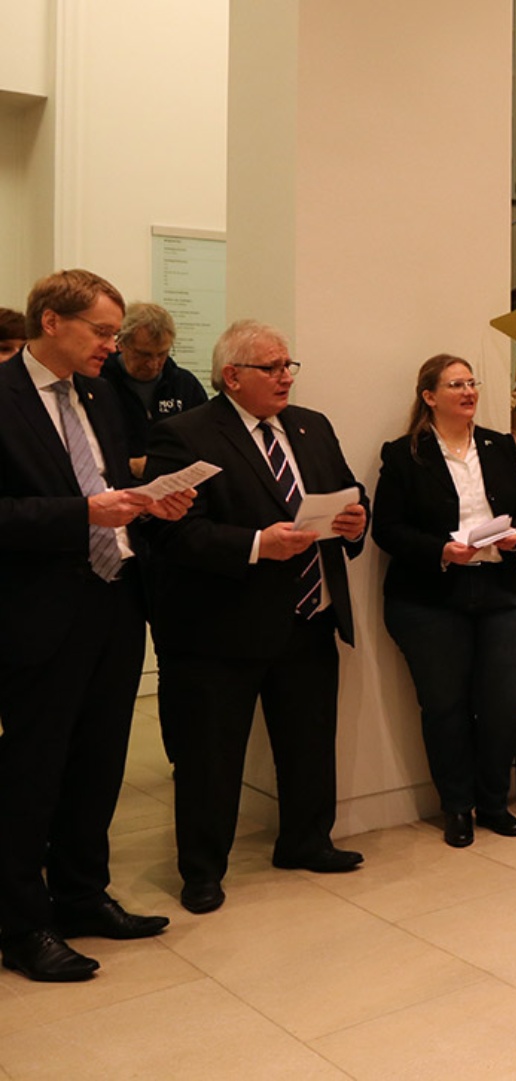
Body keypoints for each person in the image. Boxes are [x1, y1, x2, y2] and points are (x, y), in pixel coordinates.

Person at [0, 269, 193, 982]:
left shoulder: (101, 396)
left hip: (115, 598)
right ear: (51, 321)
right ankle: (21, 921)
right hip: (38, 612)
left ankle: (82, 892)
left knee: (100, 760)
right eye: (101, 332)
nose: (113, 345)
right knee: (33, 769)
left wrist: (149, 504)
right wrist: (83, 514)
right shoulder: (5, 398)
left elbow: (112, 486)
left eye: (116, 333)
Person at [145, 319, 369, 916]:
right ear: (232, 376)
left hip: (309, 615)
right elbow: (166, 533)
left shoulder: (311, 426)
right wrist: (253, 544)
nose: (284, 377)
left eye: (288, 365)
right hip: (222, 627)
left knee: (310, 741)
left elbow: (348, 492)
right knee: (211, 757)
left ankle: (306, 840)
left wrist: (356, 521)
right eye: (271, 368)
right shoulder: (185, 434)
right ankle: (201, 870)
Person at [374, 354, 516, 849]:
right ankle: (457, 807)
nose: (468, 392)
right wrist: (440, 550)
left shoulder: (497, 445)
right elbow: (387, 528)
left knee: (505, 705)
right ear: (429, 397)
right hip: (432, 597)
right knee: (445, 706)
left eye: (472, 382)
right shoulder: (405, 453)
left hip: (503, 589)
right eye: (455, 385)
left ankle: (494, 801)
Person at [99, 302, 207, 478]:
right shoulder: (98, 383)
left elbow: (204, 443)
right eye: (143, 354)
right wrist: (128, 465)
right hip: (118, 490)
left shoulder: (185, 385)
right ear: (121, 344)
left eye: (162, 354)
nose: (153, 364)